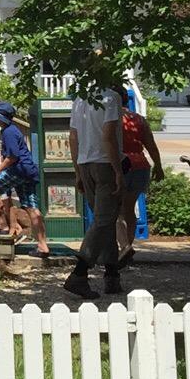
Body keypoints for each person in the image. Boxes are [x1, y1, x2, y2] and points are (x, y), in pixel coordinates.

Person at [67, 77, 126, 299]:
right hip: (104, 163)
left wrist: (77, 171)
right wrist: (118, 171)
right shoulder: (112, 98)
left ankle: (112, 276)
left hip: (85, 162)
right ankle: (79, 273)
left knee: (106, 221)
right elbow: (109, 136)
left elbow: (73, 137)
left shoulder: (80, 99)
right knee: (103, 220)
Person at [0, 100, 50, 259]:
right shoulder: (13, 130)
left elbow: (12, 156)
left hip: (19, 169)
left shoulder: (8, 132)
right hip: (28, 171)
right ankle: (43, 246)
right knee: (31, 207)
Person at [117, 93, 164, 265]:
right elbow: (151, 144)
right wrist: (158, 165)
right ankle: (129, 243)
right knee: (129, 208)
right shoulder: (139, 120)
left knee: (117, 210)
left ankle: (123, 247)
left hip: (121, 164)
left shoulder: (111, 120)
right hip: (140, 164)